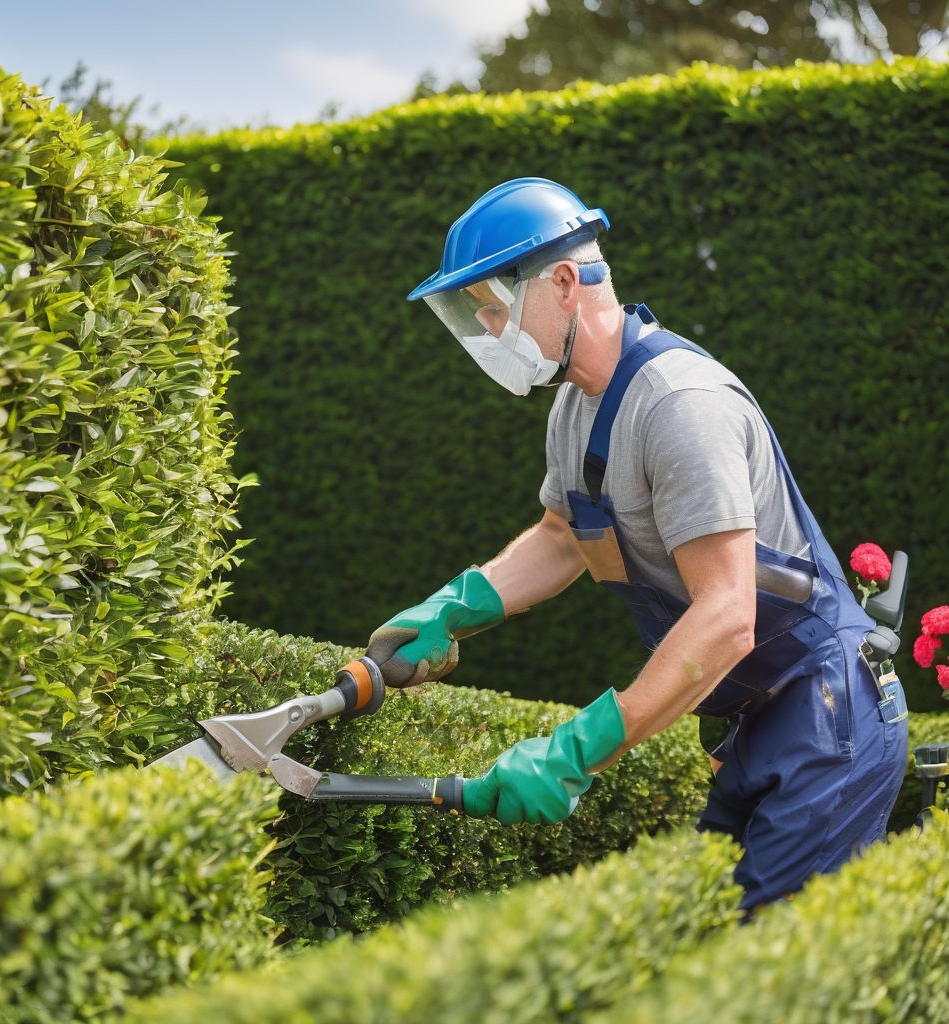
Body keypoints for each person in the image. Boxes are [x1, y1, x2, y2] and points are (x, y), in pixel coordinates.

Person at [367, 177, 909, 912]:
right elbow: (564, 537)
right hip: (759, 716)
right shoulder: (577, 407)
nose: (490, 331)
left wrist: (577, 751)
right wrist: (453, 608)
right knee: (714, 931)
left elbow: (727, 615)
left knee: (769, 966)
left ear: (563, 283)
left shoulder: (680, 407)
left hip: (827, 711)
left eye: (494, 308)